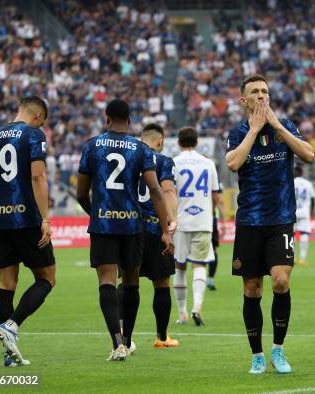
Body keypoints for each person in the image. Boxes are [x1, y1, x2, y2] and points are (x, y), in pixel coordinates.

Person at [226, 74, 315, 374]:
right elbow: (233, 163)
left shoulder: (285, 127)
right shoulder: (238, 132)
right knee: (252, 289)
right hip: (250, 221)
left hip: (280, 220)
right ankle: (257, 355)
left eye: (265, 91)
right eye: (255, 92)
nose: (262, 96)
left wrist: (276, 125)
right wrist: (254, 130)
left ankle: (278, 350)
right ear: (244, 100)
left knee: (281, 280)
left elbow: (309, 155)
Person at [77, 99, 171, 361]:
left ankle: (116, 342)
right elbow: (155, 191)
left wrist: (96, 213)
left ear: (107, 119)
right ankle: (128, 340)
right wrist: (165, 230)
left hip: (104, 224)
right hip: (132, 225)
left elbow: (81, 192)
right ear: (129, 121)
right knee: (131, 283)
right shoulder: (140, 149)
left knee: (107, 282)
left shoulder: (92, 146)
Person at [0, 96, 56, 367]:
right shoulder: (34, 134)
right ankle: (11, 325)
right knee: (47, 278)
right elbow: (38, 176)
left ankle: (8, 355)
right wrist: (45, 218)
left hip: (0, 220)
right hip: (26, 218)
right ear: (38, 116)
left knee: (6, 284)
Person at [130, 123, 179, 348]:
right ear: (160, 142)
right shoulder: (164, 161)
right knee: (162, 284)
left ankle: (123, 338)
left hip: (128, 228)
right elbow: (167, 190)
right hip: (153, 227)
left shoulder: (130, 155)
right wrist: (170, 221)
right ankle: (162, 337)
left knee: (128, 283)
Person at [172, 126, 223, 326]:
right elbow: (216, 194)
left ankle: (182, 313)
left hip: (180, 221)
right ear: (197, 142)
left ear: (178, 142)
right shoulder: (208, 163)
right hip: (203, 221)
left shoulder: (173, 163)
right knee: (200, 265)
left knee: (180, 266)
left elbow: (168, 193)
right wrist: (221, 219)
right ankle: (197, 307)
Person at [293, 166, 315, 266]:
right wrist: (311, 213)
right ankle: (302, 259)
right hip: (304, 212)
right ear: (302, 173)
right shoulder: (308, 184)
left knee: (291, 235)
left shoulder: (290, 182)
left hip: (292, 212)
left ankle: (291, 258)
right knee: (304, 234)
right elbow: (313, 199)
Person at [207, 179, 226, 291]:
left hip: (193, 218)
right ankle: (210, 279)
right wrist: (223, 222)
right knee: (213, 251)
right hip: (210, 218)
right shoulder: (215, 181)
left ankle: (197, 278)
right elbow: (220, 201)